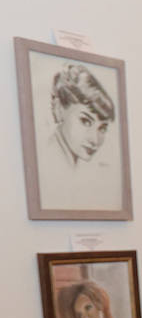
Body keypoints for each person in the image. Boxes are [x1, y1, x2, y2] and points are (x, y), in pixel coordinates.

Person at [38, 63, 120, 211]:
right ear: (59, 109)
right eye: (85, 121)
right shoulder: (45, 163)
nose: (95, 140)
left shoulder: (85, 171)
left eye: (102, 128)